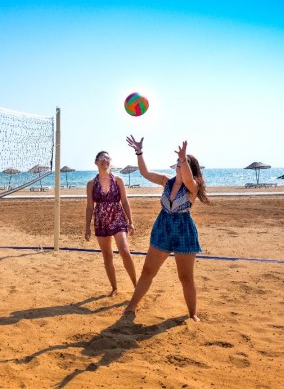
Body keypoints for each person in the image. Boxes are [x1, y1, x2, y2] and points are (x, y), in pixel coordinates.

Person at [123, 136, 210, 321]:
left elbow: (187, 179)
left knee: (185, 277)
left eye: (182, 163)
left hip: (183, 230)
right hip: (162, 226)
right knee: (148, 271)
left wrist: (183, 158)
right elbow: (145, 172)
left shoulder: (193, 186)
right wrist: (139, 152)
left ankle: (192, 314)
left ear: (189, 167)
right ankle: (131, 307)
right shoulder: (166, 181)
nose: (178, 165)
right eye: (177, 162)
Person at [85, 151, 137, 296]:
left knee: (125, 251)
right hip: (100, 220)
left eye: (107, 158)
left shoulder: (118, 180)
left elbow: (125, 202)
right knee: (107, 256)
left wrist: (131, 222)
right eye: (102, 158)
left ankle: (136, 285)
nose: (105, 160)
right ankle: (114, 288)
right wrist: (87, 228)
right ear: (96, 162)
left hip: (117, 217)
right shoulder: (91, 184)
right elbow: (89, 207)